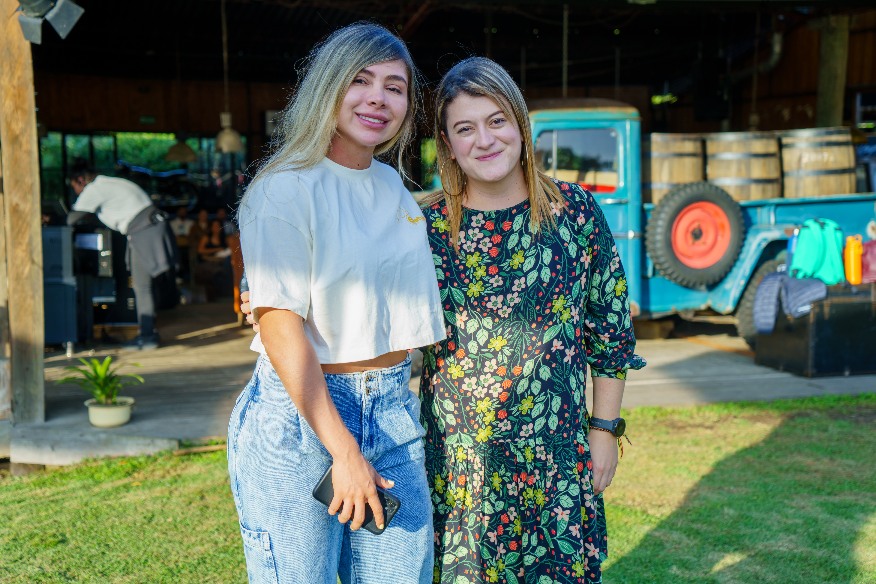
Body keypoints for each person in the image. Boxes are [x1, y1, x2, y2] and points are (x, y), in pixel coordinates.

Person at [228, 22, 445, 584]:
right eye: (360, 80)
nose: (378, 98)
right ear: (328, 86)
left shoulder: (394, 188)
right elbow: (281, 328)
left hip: (392, 407)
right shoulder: (285, 187)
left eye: (395, 87)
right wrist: (345, 452)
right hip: (302, 421)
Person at [417, 57, 645, 583]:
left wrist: (604, 430)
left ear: (520, 124)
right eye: (465, 128)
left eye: (496, 120)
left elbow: (610, 332)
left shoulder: (576, 212)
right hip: (460, 468)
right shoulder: (424, 228)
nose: (485, 140)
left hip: (557, 459)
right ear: (447, 143)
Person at [67, 160, 177, 350]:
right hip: (149, 226)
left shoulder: (94, 189)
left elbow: (72, 219)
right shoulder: (109, 183)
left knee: (142, 286)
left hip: (144, 230)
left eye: (74, 187)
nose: (76, 192)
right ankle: (148, 333)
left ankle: (148, 337)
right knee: (145, 285)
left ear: (80, 180)